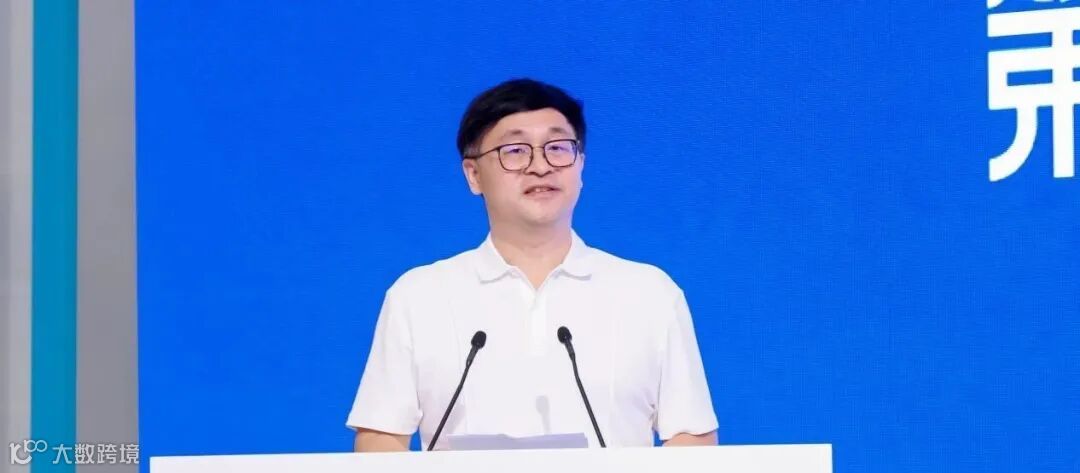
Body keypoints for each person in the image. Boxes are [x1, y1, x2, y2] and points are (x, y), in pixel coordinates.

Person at [346, 78, 718, 451]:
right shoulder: (419, 296)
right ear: (474, 175)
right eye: (515, 151)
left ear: (581, 165)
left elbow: (692, 434)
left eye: (557, 148)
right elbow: (381, 436)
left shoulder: (648, 293)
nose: (540, 166)